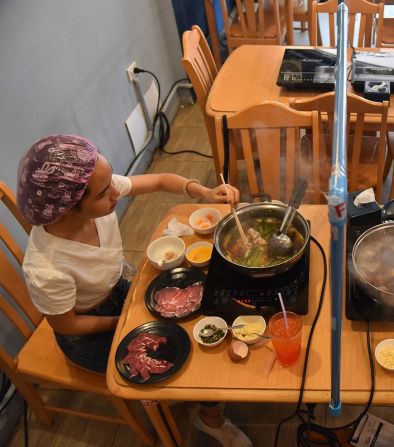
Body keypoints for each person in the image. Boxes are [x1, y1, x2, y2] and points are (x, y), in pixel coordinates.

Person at [17, 135, 251, 447]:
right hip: (88, 333)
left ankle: (189, 399)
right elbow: (67, 325)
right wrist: (128, 319)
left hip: (118, 293)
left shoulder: (95, 189)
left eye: (110, 180)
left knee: (199, 312)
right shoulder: (46, 268)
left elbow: (158, 180)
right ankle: (207, 418)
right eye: (104, 193)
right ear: (68, 209)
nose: (116, 192)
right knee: (181, 358)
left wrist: (205, 191)